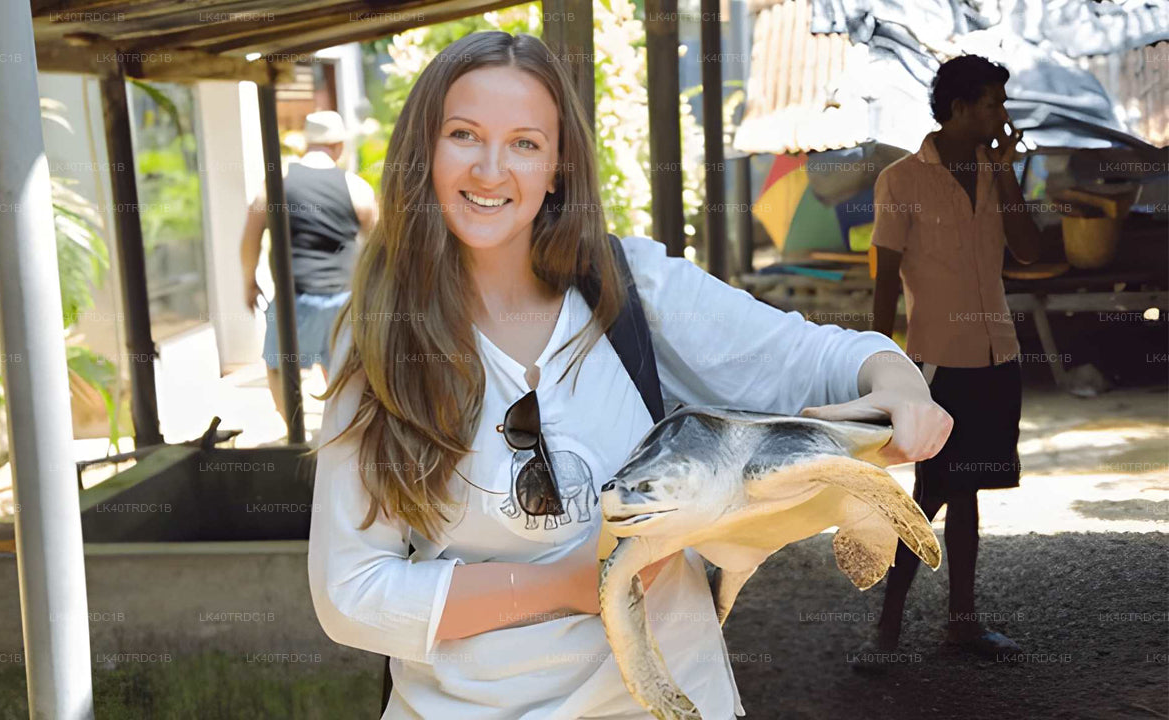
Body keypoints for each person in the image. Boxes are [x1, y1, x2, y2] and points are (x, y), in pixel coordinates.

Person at [308, 31, 951, 719]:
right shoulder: (376, 335)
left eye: (525, 143)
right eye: (464, 134)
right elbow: (350, 593)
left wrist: (899, 381)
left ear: (557, 166)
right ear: (424, 151)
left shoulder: (629, 286)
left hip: (672, 698)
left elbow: (810, 358)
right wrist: (566, 584)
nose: (491, 170)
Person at [867, 54, 1041, 665]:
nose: (1003, 114)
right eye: (993, 103)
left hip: (998, 358)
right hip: (939, 363)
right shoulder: (901, 180)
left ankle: (962, 626)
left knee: (969, 492)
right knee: (931, 494)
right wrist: (879, 365)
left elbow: (1028, 248)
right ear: (960, 108)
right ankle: (886, 631)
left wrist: (1009, 173)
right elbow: (885, 280)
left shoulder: (996, 172)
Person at [240, 110, 379, 417]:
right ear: (338, 146)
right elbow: (377, 248)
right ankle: (341, 428)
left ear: (306, 143)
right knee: (346, 374)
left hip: (293, 301)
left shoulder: (276, 184)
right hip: (343, 302)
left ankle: (294, 429)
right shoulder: (356, 188)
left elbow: (250, 239)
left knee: (279, 368)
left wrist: (248, 283)